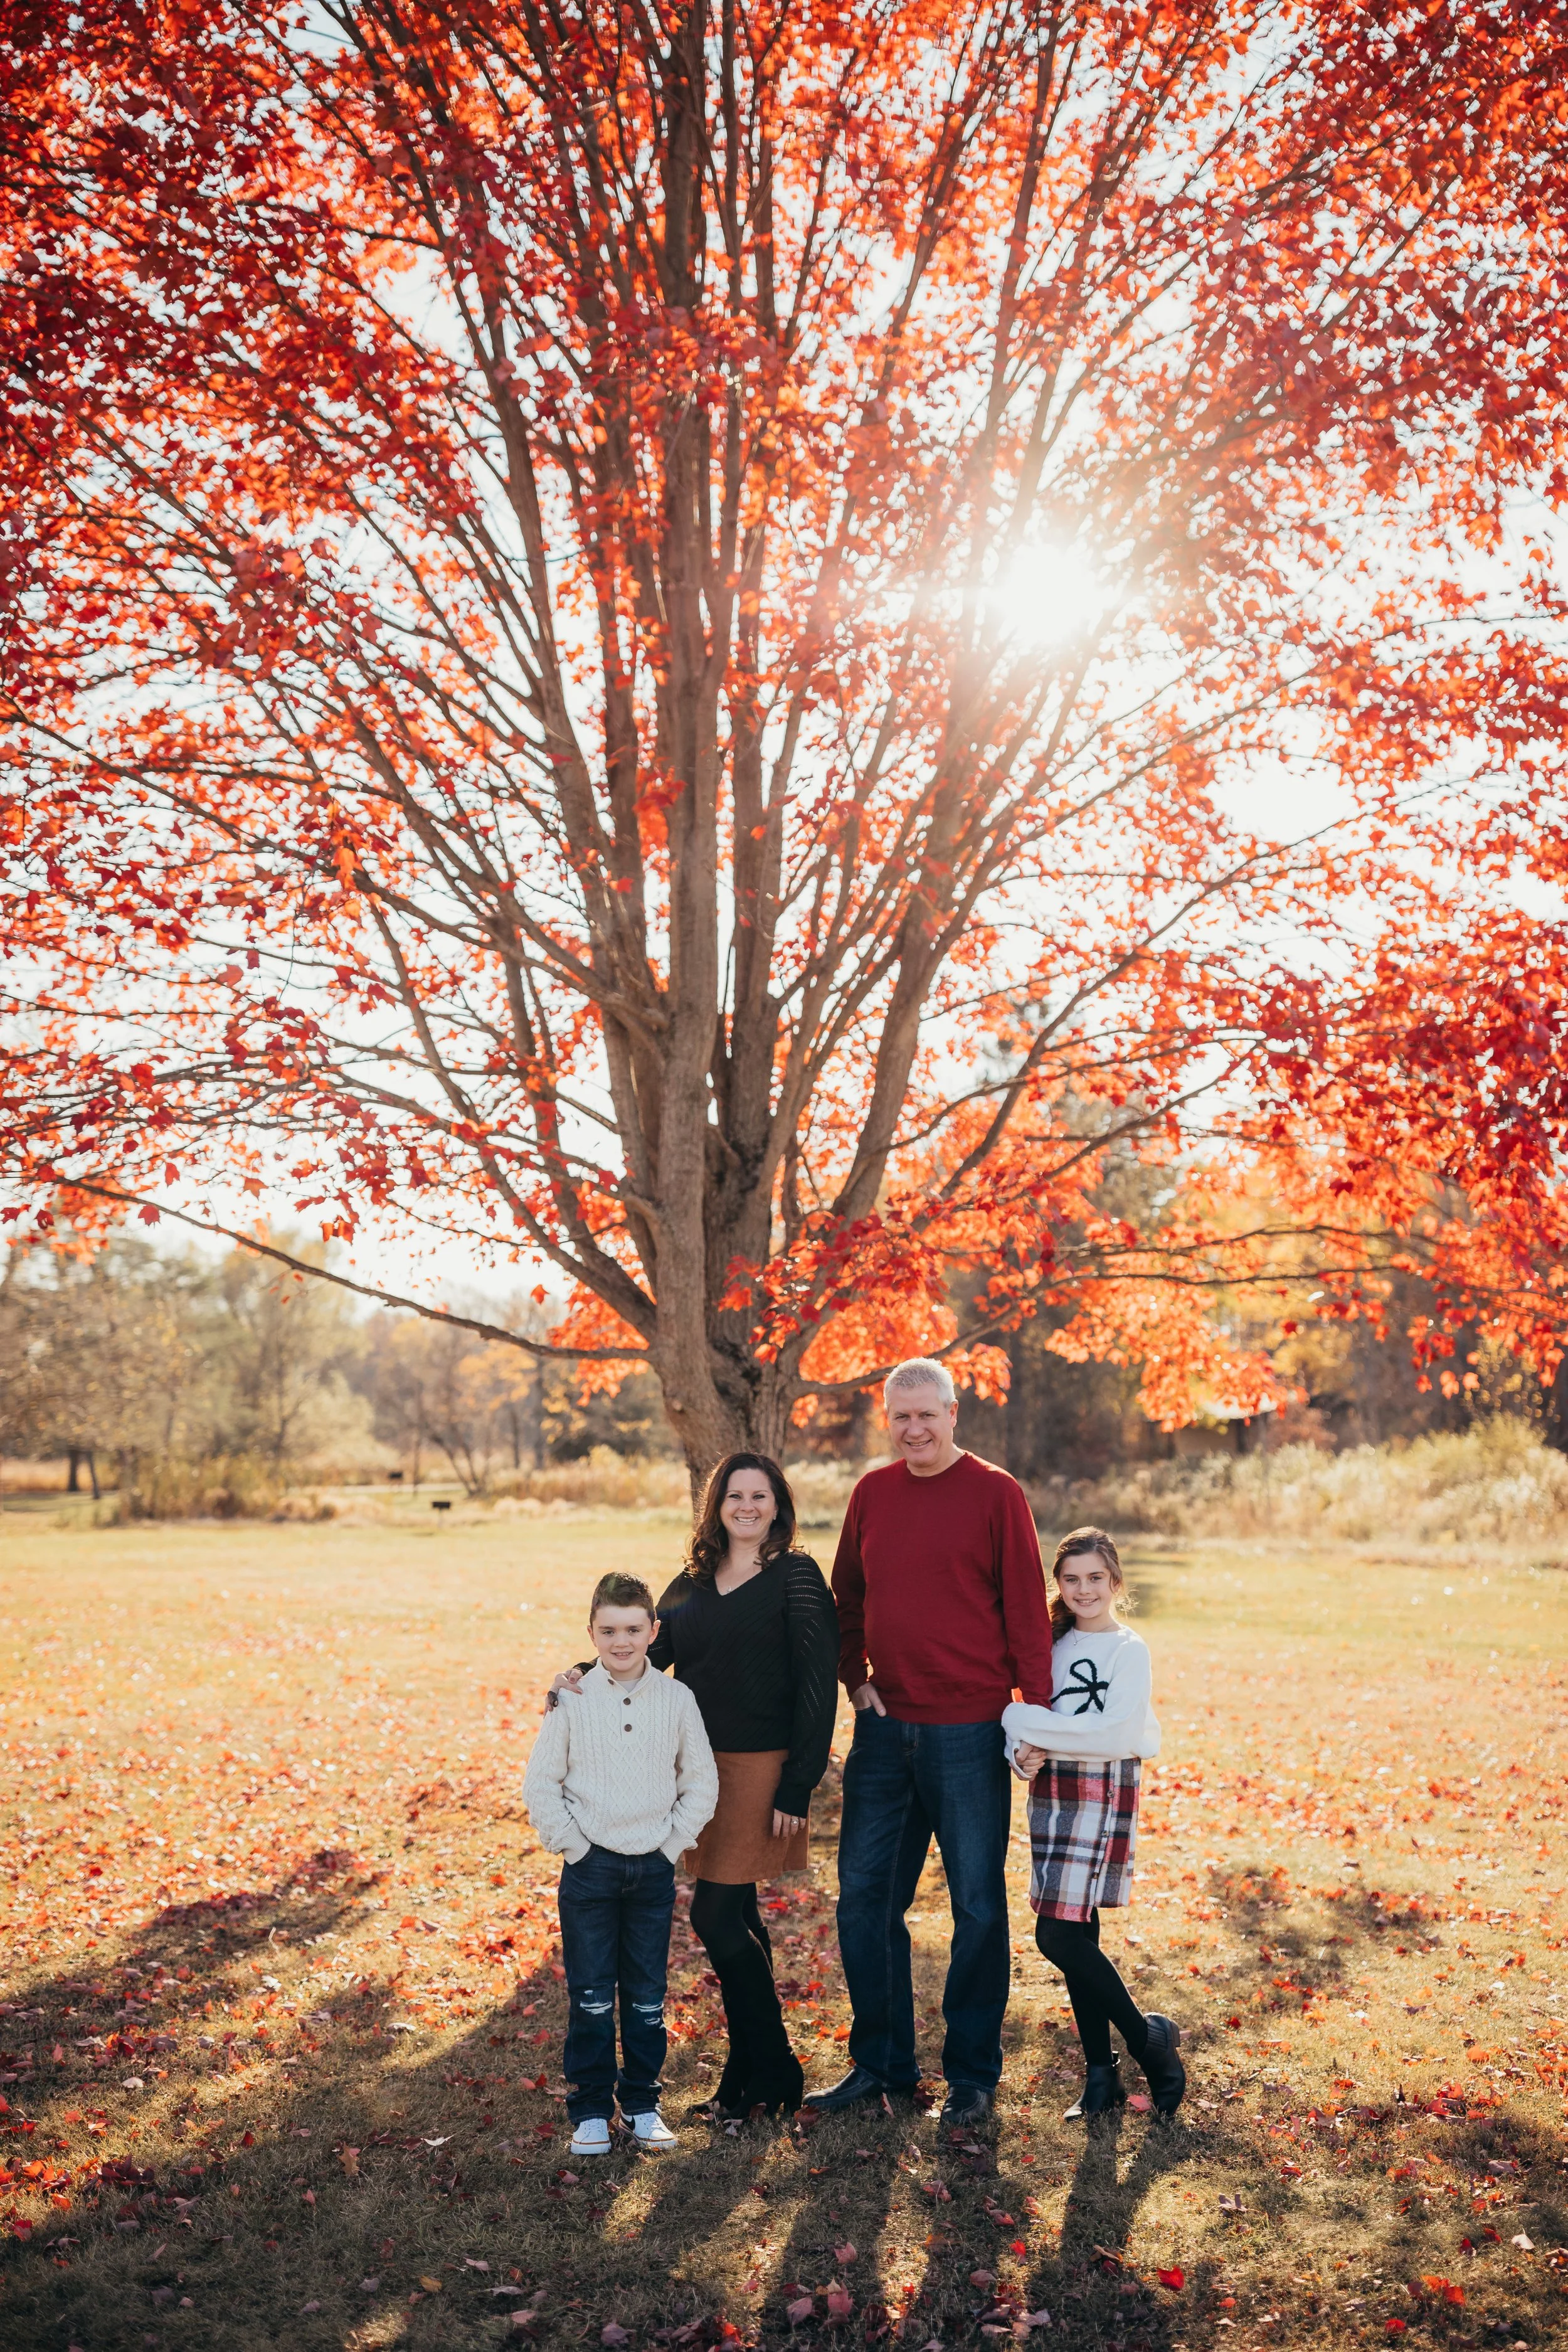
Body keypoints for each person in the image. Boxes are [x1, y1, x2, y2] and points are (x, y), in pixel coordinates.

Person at [549, 1453, 839, 2119]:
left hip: (759, 1768)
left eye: (758, 1496)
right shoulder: (695, 1579)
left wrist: (798, 1784)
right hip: (694, 1771)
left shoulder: (795, 1576)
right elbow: (642, 1653)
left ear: (777, 1505)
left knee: (713, 1915)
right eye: (734, 1495)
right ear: (717, 1505)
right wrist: (575, 1678)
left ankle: (777, 2066)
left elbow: (819, 1686)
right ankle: (746, 2079)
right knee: (738, 1917)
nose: (746, 1506)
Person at [808, 1357, 1056, 2127]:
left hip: (971, 1731)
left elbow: (1024, 1610)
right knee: (864, 1903)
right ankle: (881, 2064)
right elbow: (845, 1596)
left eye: (928, 1414)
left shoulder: (995, 1492)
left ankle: (972, 2074)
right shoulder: (871, 1494)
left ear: (953, 1414)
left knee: (978, 1907)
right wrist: (855, 1677)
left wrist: (1036, 1719)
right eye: (901, 1417)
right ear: (889, 1419)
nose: (914, 1429)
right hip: (886, 1732)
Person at [523, 1570, 718, 2157]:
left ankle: (641, 2104)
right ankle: (588, 2108)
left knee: (644, 1995)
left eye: (634, 1629)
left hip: (652, 1869)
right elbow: (541, 1783)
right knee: (589, 1994)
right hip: (591, 1868)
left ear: (654, 1630)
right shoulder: (574, 1696)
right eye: (608, 1630)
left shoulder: (677, 1700)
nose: (622, 1642)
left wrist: (669, 1845)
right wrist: (575, 1847)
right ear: (592, 1632)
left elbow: (701, 1783)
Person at [1003, 1526, 1185, 2121]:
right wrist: (1021, 1747)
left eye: (1096, 1579)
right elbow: (1025, 1715)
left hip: (1102, 1786)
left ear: (1115, 1582)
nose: (1085, 1590)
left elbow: (1114, 1734)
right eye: (1072, 1579)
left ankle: (1148, 2043)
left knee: (1055, 1936)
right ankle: (1101, 2076)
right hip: (1053, 1790)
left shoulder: (1128, 1649)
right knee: (1077, 1934)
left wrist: (1028, 1724)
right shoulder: (1049, 1646)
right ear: (1058, 1585)